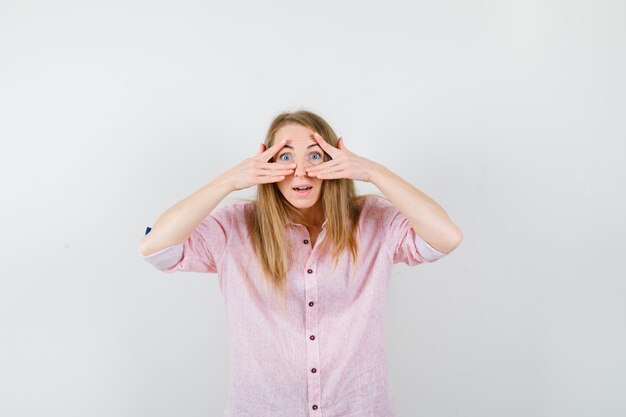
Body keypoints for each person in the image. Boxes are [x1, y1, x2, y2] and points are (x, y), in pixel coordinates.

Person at [138, 109, 463, 417]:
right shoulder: (234, 227)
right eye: (285, 156)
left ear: (336, 161)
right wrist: (229, 180)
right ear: (265, 164)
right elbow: (156, 249)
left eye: (315, 155)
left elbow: (446, 237)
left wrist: (372, 172)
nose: (301, 170)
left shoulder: (373, 220)